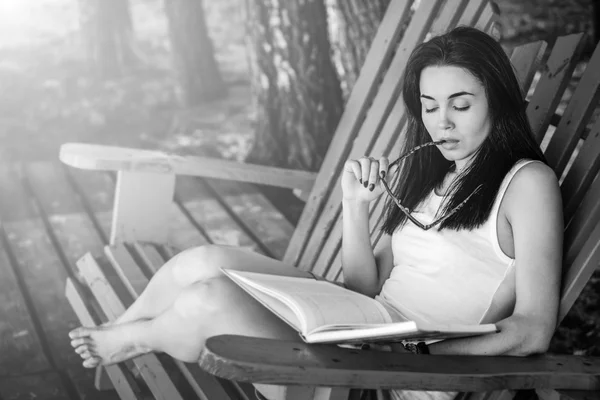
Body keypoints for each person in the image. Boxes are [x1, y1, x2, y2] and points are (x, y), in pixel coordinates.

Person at [69, 26, 563, 400]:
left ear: (496, 101)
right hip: (362, 328)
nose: (442, 122)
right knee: (202, 260)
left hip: (389, 378)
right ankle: (118, 333)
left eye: (460, 104)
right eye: (430, 107)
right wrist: (356, 206)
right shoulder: (436, 173)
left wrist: (417, 352)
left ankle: (135, 339)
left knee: (209, 301)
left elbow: (532, 329)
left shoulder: (527, 185)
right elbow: (362, 288)